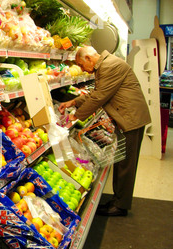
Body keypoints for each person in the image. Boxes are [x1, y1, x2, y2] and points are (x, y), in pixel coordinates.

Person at [58, 46, 151, 216]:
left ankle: (121, 206)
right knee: (122, 162)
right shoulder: (105, 65)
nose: (82, 69)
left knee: (126, 164)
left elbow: (100, 96)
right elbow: (96, 93)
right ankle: (118, 200)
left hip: (131, 119)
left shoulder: (110, 66)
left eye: (81, 64)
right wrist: (73, 102)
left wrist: (75, 116)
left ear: (88, 58)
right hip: (127, 118)